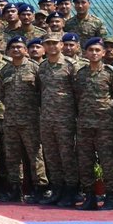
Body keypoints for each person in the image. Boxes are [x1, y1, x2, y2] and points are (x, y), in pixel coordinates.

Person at [73, 37, 113, 210]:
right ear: (85, 53)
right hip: (85, 124)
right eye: (91, 50)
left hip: (104, 125)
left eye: (97, 50)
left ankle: (110, 197)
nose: (94, 53)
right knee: (85, 162)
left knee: (107, 161)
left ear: (103, 53)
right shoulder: (80, 74)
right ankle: (90, 197)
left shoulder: (111, 73)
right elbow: (77, 96)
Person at [0, 36, 48, 203]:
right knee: (12, 157)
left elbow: (42, 92)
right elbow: (2, 94)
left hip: (30, 120)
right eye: (13, 47)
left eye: (19, 47)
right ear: (8, 51)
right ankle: (15, 188)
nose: (16, 49)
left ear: (26, 50)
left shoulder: (35, 68)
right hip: (11, 120)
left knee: (35, 156)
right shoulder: (4, 70)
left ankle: (39, 188)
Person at [37, 33, 79, 206]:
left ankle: (72, 191)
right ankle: (57, 190)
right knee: (52, 156)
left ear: (61, 45)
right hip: (47, 118)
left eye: (55, 43)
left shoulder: (71, 65)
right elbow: (40, 91)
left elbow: (78, 92)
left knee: (67, 155)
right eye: (48, 43)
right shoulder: (42, 67)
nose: (52, 46)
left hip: (65, 118)